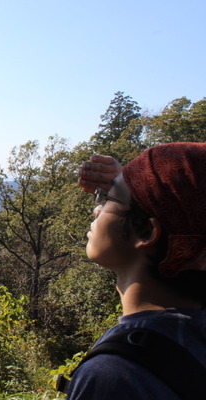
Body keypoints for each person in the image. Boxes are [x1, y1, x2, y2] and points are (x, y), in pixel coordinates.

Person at [66, 142, 206, 399]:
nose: (97, 209)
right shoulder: (192, 335)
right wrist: (131, 188)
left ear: (147, 232)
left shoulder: (114, 376)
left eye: (107, 199)